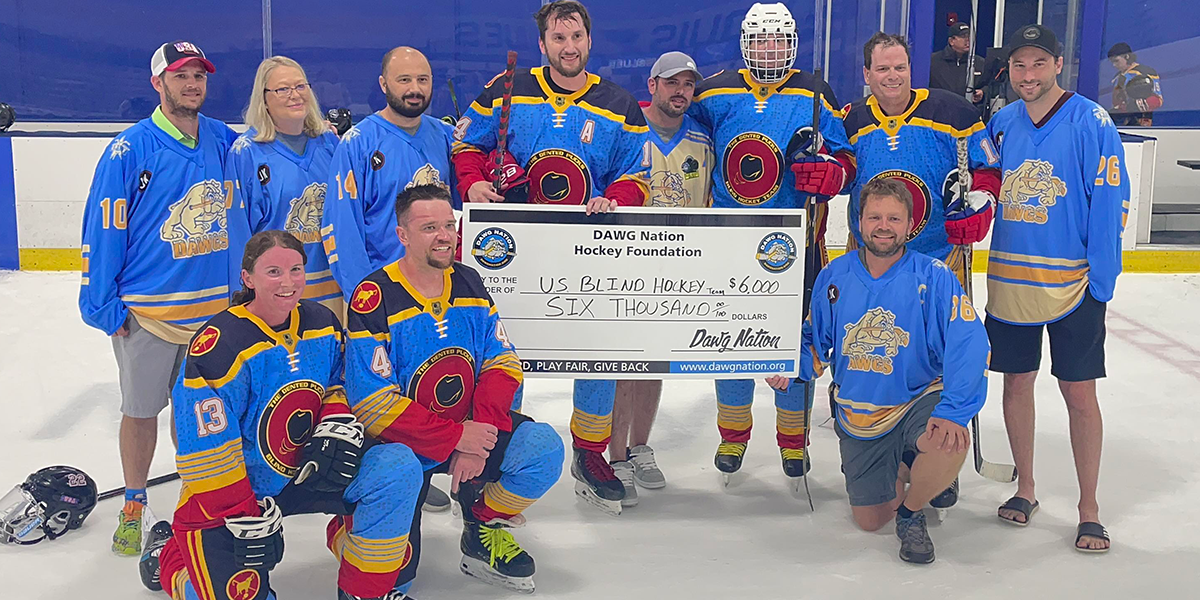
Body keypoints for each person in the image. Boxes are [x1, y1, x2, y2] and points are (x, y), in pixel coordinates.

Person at [451, 0, 651, 516]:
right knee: (506, 350)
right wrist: (473, 180)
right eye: (558, 39)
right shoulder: (506, 89)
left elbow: (637, 175)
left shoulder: (619, 104)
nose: (569, 47)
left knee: (597, 346)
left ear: (589, 41)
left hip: (589, 248)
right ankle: (500, 446)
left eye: (576, 37)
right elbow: (466, 145)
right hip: (514, 252)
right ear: (543, 45)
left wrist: (618, 198)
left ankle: (589, 452)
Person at [147, 230, 425, 600]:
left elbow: (338, 381)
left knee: (398, 466)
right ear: (248, 278)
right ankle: (172, 563)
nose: (289, 282)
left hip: (312, 468)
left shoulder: (322, 322)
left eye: (296, 270)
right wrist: (242, 515)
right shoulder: (219, 345)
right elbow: (206, 446)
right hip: (243, 488)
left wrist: (335, 420)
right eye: (273, 272)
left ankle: (364, 589)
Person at [342, 185, 565, 593]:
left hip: (467, 432)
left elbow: (501, 361)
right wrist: (455, 437)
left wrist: (478, 435)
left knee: (543, 448)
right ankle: (352, 536)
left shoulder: (469, 281)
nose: (445, 235)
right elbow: (372, 403)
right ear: (403, 235)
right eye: (429, 227)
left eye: (449, 224)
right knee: (394, 572)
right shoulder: (374, 297)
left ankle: (481, 526)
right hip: (402, 448)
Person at [78, 40, 239, 556]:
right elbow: (105, 227)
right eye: (181, 75)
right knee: (142, 410)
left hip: (215, 311)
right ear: (158, 83)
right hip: (149, 312)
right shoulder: (130, 149)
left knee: (202, 415)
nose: (193, 84)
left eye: (199, 75)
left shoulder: (224, 141)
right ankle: (134, 500)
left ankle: (200, 497)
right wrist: (101, 303)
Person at [687, 2, 855, 485]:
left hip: (796, 243)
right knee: (728, 340)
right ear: (745, 43)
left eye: (779, 39)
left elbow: (844, 158)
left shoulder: (814, 91)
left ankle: (792, 439)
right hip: (728, 242)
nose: (770, 48)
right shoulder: (715, 92)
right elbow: (684, 144)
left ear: (793, 43)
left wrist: (832, 172)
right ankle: (733, 433)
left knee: (794, 340)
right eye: (762, 39)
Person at [792, 178, 988, 564]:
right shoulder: (834, 277)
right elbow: (814, 340)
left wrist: (954, 410)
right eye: (875, 217)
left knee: (949, 439)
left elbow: (970, 343)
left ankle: (913, 512)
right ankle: (906, 463)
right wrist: (791, 366)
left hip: (918, 395)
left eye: (894, 218)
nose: (884, 226)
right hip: (860, 410)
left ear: (910, 225)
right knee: (869, 521)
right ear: (859, 223)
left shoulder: (934, 276)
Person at [986, 24, 1129, 553]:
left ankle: (1088, 508)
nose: (1028, 75)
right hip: (1011, 278)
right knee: (1017, 385)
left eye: (1037, 64)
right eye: (1019, 66)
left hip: (1074, 282)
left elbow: (1111, 200)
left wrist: (1102, 279)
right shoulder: (1002, 121)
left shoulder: (1092, 120)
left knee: (1079, 393)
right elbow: (980, 180)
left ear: (1058, 64)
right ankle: (1026, 488)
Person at [321, 46, 457, 511]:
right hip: (382, 293)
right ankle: (386, 484)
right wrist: (367, 293)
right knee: (379, 393)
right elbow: (340, 224)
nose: (414, 89)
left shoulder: (442, 135)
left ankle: (420, 469)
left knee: (422, 383)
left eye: (422, 79)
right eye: (403, 80)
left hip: (433, 291)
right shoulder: (359, 141)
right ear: (383, 85)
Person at [607, 51, 713, 507]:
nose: (681, 92)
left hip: (675, 271)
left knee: (653, 363)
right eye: (672, 83)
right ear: (652, 85)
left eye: (688, 84)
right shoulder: (627, 131)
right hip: (624, 266)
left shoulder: (703, 143)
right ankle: (614, 456)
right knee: (620, 364)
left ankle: (639, 446)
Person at [844, 32, 1000, 290]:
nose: (893, 76)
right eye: (883, 68)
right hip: (869, 260)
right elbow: (842, 175)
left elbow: (989, 169)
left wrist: (982, 203)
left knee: (941, 331)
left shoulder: (954, 113)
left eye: (900, 67)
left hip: (941, 261)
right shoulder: (852, 119)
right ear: (867, 74)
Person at [226, 56, 343, 318]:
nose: (295, 95)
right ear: (264, 98)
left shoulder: (329, 144)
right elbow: (238, 231)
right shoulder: (246, 153)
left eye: (300, 86)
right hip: (277, 294)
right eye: (283, 89)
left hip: (331, 288)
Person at [1107, 42, 1163, 127]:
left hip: (1141, 123)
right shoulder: (1117, 77)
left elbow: (1158, 100)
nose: (1114, 65)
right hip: (1120, 123)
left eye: (1116, 61)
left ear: (1127, 57)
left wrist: (1132, 107)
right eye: (1112, 62)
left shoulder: (1146, 72)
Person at [929, 21, 984, 103]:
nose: (968, 40)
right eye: (963, 37)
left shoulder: (979, 62)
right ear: (951, 41)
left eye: (969, 36)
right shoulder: (933, 61)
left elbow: (988, 84)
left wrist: (983, 92)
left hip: (968, 109)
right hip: (939, 110)